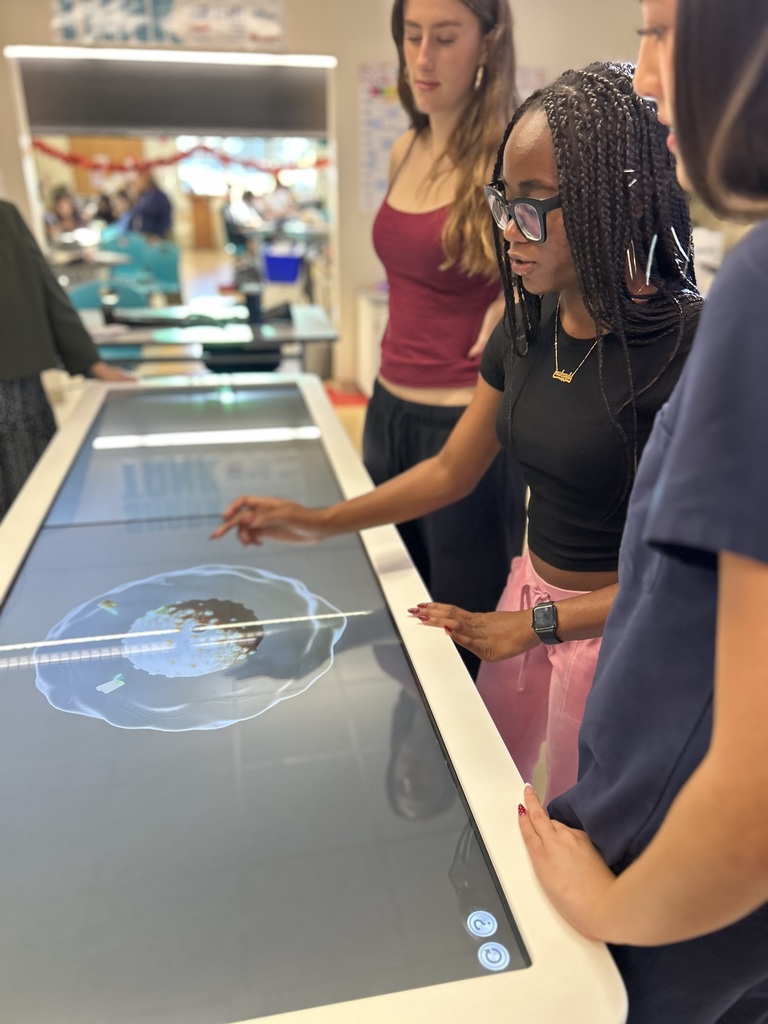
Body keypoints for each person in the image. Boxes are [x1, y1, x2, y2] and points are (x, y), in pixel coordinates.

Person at [211, 60, 701, 802]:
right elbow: (451, 471)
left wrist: (542, 625)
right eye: (504, 200)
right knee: (489, 788)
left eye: (535, 206)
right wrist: (319, 521)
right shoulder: (526, 322)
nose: (509, 230)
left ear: (621, 202)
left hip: (615, 633)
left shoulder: (690, 346)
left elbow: (691, 576)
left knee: (580, 825)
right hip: (527, 603)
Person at [518, 2, 768, 1022]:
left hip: (682, 875)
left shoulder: (752, 290)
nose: (647, 74)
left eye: (663, 33)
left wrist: (619, 904)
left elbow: (750, 784)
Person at [365, 0, 527, 678]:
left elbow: (567, 270)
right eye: (412, 36)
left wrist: (517, 303)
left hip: (463, 426)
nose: (423, 58)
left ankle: (467, 782)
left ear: (487, 43)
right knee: (394, 616)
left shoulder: (511, 155)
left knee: (460, 637)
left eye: (446, 37)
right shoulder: (406, 146)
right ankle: (410, 766)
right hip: (386, 411)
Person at [0, 199, 133, 519]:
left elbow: (47, 288)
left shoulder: (5, 216)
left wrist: (91, 362)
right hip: (17, 390)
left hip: (15, 391)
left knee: (33, 503)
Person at [128, 170, 172, 239]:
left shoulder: (159, 196)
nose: (135, 183)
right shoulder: (142, 196)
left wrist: (158, 235)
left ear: (146, 179)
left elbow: (166, 218)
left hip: (153, 237)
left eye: (138, 180)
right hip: (140, 235)